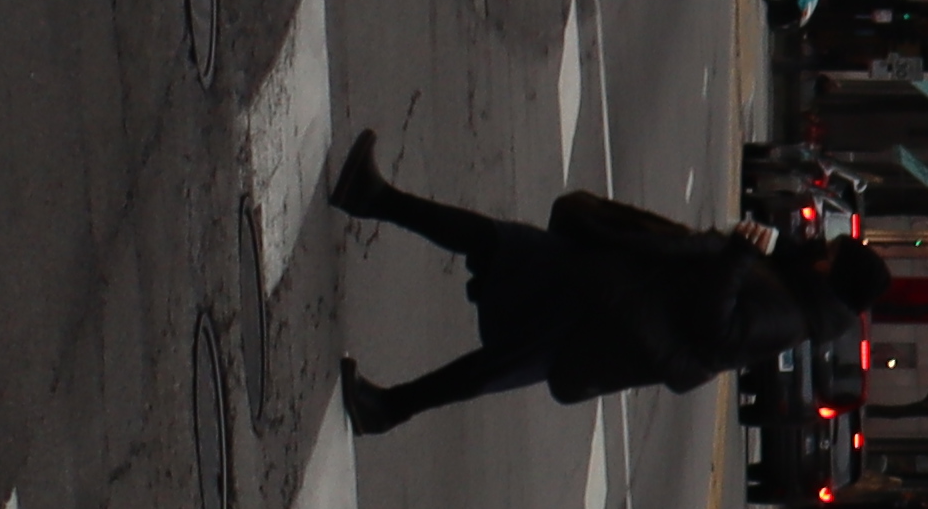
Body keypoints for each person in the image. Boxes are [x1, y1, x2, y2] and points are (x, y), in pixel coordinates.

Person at [324, 139, 877, 431]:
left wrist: (735, 258)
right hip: (608, 295)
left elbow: (715, 335)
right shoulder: (792, 289)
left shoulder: (789, 319)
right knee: (496, 245)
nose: (821, 248)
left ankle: (387, 408)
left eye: (831, 254)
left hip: (606, 326)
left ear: (832, 276)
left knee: (491, 360)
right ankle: (375, 199)